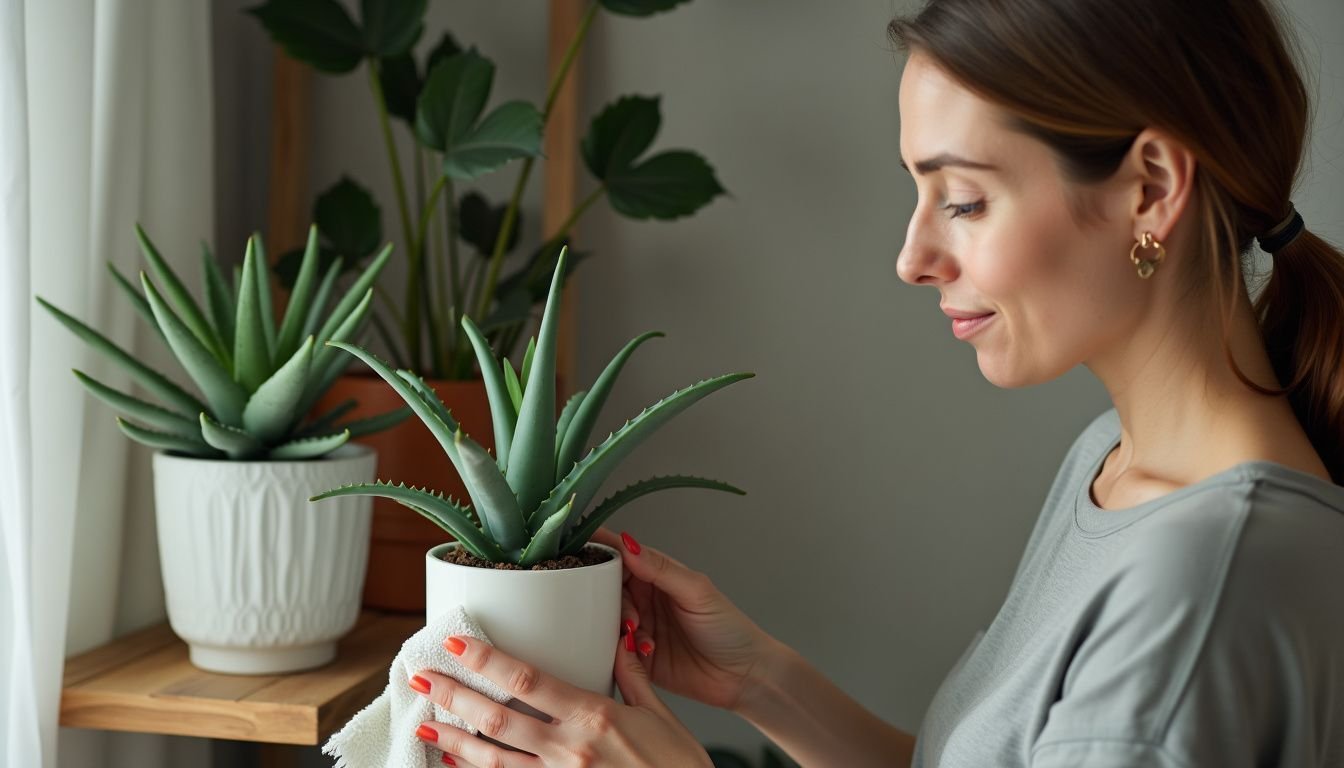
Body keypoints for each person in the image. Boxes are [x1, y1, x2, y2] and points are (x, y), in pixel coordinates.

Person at [403, 0, 1344, 765]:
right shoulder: (1117, 459)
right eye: (919, 193)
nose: (913, 256)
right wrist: (761, 680)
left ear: (1149, 187)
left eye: (965, 199)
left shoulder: (1203, 590)